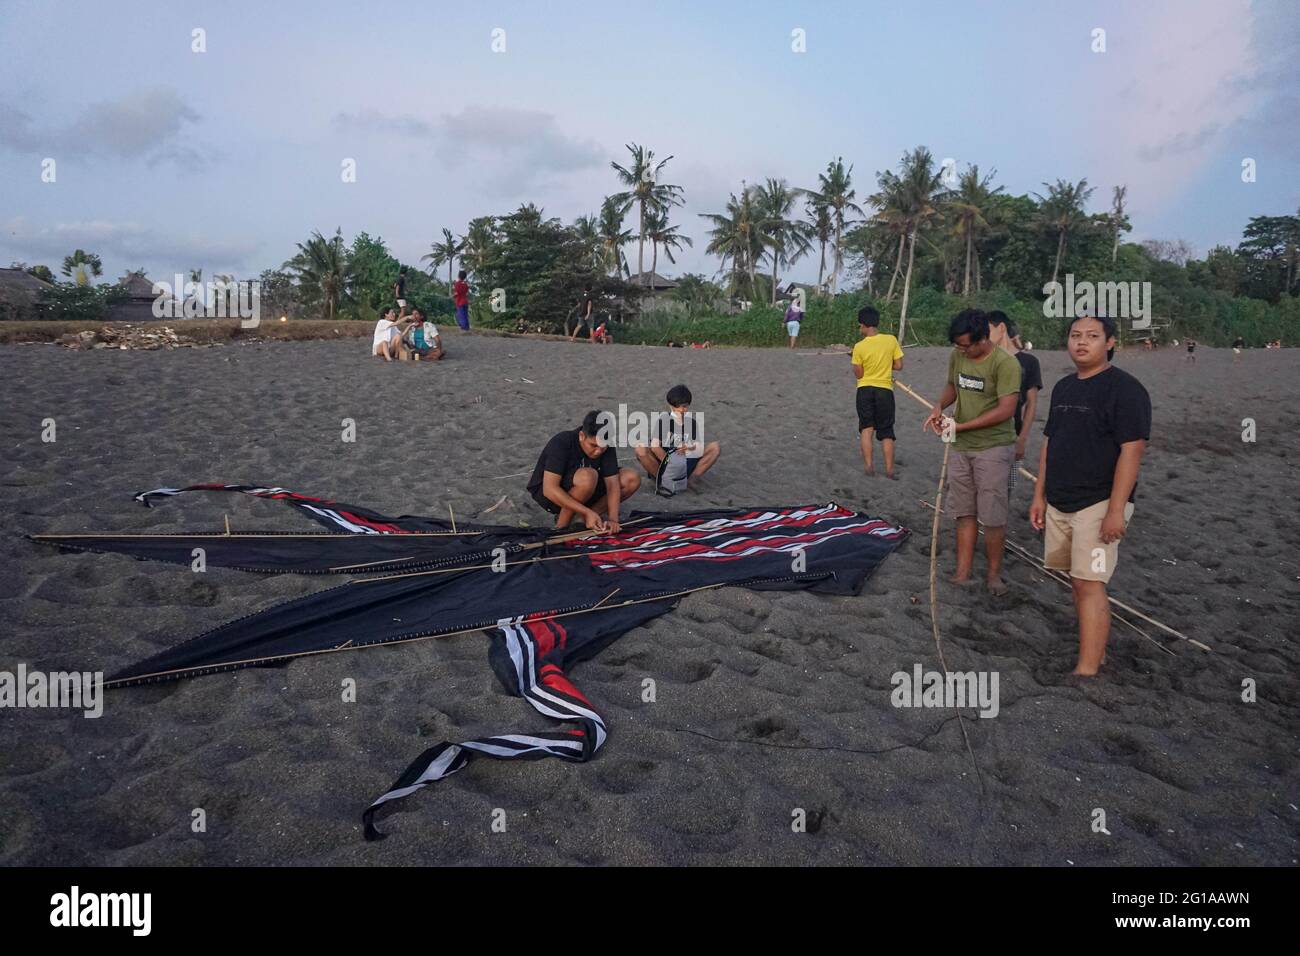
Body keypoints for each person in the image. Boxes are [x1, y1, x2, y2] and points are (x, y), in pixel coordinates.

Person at [1030, 315, 1151, 677]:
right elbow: (1050, 443)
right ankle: (1095, 654)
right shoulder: (1065, 387)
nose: (1082, 342)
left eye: (1093, 336)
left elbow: (1132, 450)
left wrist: (1116, 509)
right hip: (1060, 499)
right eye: (1075, 335)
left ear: (1110, 343)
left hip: (1099, 503)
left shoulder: (1125, 389)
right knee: (1076, 578)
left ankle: (1087, 670)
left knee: (1091, 582)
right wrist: (1039, 494)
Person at [922, 309, 1021, 595]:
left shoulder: (1006, 364)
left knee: (992, 515)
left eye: (966, 345)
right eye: (958, 345)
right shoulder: (958, 356)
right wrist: (938, 407)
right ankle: (962, 572)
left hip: (994, 447)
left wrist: (962, 426)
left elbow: (1006, 411)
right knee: (963, 510)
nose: (962, 351)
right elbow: (953, 385)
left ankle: (993, 575)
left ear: (983, 340)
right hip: (961, 446)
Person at [527, 410, 641, 531]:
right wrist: (586, 511)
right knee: (588, 476)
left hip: (586, 489)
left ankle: (584, 518)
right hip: (552, 496)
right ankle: (561, 527)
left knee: (631, 478)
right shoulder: (562, 442)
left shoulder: (606, 445)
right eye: (593, 445)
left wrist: (613, 520)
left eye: (603, 446)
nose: (598, 451)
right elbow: (549, 489)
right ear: (582, 436)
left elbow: (612, 484)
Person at [987, 311, 1042, 493]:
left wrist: (1022, 439)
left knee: (1004, 492)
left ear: (1001, 328)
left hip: (1012, 436)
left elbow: (1031, 404)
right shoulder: (986, 360)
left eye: (987, 331)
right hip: (982, 436)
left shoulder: (1029, 362)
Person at [634, 384, 721, 491]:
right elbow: (655, 447)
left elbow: (697, 448)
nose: (680, 410)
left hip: (685, 464)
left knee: (715, 447)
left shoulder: (692, 423)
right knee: (640, 448)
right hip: (665, 464)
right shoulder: (664, 420)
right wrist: (670, 462)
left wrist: (688, 448)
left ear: (688, 405)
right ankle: (661, 480)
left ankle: (692, 479)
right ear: (670, 405)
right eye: (676, 406)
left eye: (684, 406)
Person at [850, 306, 903, 479]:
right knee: (887, 430)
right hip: (885, 390)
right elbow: (899, 365)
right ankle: (889, 470)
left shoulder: (859, 347)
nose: (860, 329)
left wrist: (858, 361)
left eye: (860, 326)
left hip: (865, 389)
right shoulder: (891, 340)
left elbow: (859, 374)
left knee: (867, 428)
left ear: (864, 325)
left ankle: (869, 467)